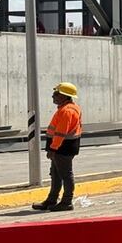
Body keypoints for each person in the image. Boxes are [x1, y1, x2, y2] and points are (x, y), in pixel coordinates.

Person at [32, 82, 83, 212]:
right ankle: (51, 199)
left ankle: (66, 201)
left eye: (56, 94)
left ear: (65, 96)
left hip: (62, 148)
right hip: (63, 146)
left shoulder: (67, 111)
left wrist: (53, 149)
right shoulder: (68, 108)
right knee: (56, 174)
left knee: (65, 175)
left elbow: (60, 133)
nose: (53, 96)